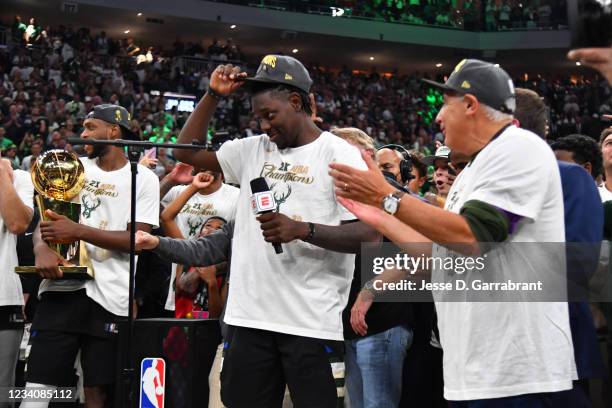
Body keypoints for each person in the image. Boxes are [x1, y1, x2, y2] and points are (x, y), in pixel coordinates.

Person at [330, 59, 576, 406]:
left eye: (446, 105)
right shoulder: (475, 172)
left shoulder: (518, 146)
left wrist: (387, 197)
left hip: (518, 372)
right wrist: (378, 215)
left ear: (471, 105)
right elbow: (441, 256)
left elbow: (473, 238)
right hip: (475, 369)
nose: (438, 118)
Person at [172, 55, 379, 407]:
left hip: (310, 324)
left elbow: (370, 235)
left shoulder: (340, 154)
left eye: (271, 115)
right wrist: (212, 95)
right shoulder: (251, 150)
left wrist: (302, 229)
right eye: (258, 118)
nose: (265, 126)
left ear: (296, 103)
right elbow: (183, 150)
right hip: (248, 319)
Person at [21, 104, 159, 408]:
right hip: (63, 288)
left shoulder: (143, 178)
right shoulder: (72, 167)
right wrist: (42, 249)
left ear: (113, 131)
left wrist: (78, 231)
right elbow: (45, 223)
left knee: (97, 392)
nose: (82, 133)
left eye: (90, 126)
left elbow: (139, 240)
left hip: (111, 296)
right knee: (37, 388)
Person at [160, 169, 238, 314]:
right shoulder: (185, 254)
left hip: (217, 314)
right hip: (181, 310)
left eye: (218, 229)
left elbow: (217, 315)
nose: (211, 231)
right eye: (208, 226)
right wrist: (191, 185)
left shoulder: (236, 196)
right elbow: (163, 215)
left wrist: (212, 281)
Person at [0, 151, 33, 408]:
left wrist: (2, 174)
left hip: (4, 299)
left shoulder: (19, 177)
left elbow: (18, 224)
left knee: (3, 396)